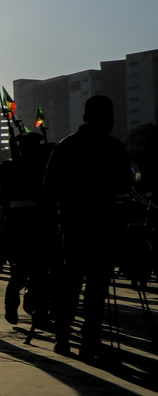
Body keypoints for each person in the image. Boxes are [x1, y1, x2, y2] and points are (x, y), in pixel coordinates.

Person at [44, 96, 133, 361]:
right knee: (96, 287)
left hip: (74, 224)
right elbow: (125, 184)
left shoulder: (66, 146)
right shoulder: (113, 147)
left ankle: (63, 337)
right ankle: (89, 340)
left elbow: (49, 187)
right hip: (101, 224)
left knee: (71, 283)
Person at [0, 132, 55, 325]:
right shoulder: (33, 167)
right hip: (31, 223)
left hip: (21, 223)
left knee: (30, 271)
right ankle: (27, 309)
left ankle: (31, 308)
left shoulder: (12, 167)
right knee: (27, 271)